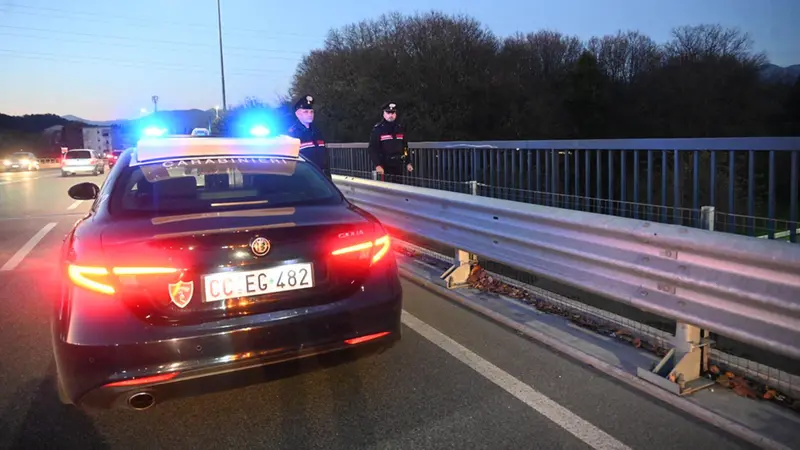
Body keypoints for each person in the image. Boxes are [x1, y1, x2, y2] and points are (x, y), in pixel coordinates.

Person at [286, 95, 330, 179]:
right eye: (305, 112)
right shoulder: (293, 134)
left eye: (311, 112)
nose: (310, 114)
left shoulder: (317, 132)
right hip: (303, 179)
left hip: (320, 177)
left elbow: (325, 158)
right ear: (298, 114)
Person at [367, 102, 413, 182]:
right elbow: (373, 149)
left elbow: (405, 147)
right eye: (388, 113)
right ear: (384, 114)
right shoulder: (378, 130)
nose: (391, 115)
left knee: (398, 188)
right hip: (384, 165)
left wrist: (408, 162)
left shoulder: (400, 128)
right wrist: (378, 165)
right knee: (386, 190)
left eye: (393, 113)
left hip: (398, 164)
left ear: (395, 114)